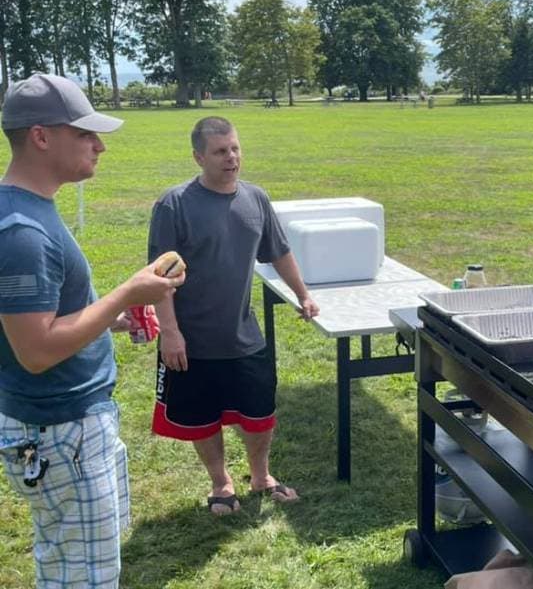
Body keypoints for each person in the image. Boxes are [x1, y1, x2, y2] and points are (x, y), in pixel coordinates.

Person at [0, 74, 185, 588]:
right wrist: (126, 294)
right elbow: (35, 351)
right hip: (61, 432)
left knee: (69, 566)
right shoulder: (23, 233)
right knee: (83, 579)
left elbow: (40, 322)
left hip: (65, 431)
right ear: (41, 136)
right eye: (85, 133)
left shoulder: (25, 212)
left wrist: (111, 316)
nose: (99, 144)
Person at [148, 116, 318, 515]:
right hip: (193, 339)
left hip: (244, 334)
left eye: (236, 148)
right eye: (221, 151)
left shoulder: (256, 198)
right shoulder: (173, 205)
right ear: (198, 157)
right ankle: (221, 483)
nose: (232, 158)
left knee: (260, 413)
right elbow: (159, 278)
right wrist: (170, 332)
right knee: (202, 418)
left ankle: (261, 476)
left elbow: (278, 250)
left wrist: (303, 294)